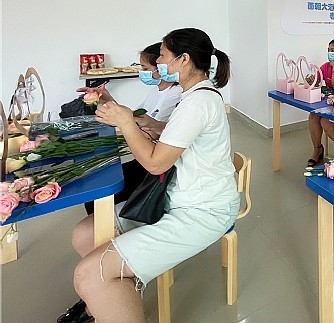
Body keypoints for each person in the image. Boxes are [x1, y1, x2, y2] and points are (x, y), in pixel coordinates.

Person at [62, 28, 238, 323]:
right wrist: (139, 121)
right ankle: (116, 296)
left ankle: (108, 292)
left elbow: (155, 164)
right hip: (177, 198)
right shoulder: (195, 95)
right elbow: (173, 132)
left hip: (204, 210)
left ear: (183, 59)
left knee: (89, 273)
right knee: (85, 234)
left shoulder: (198, 102)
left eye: (163, 55)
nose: (158, 62)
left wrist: (127, 124)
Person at [75, 42, 183, 215]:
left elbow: (149, 134)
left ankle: (107, 226)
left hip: (155, 165)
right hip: (143, 158)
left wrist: (122, 122)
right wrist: (108, 100)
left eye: (145, 68)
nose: (141, 72)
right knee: (94, 187)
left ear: (161, 68)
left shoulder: (176, 96)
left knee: (97, 195)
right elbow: (135, 119)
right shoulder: (158, 90)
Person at [307, 39, 334, 166]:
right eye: (328, 50)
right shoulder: (325, 66)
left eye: (333, 50)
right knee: (313, 115)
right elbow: (316, 82)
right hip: (330, 103)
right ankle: (317, 149)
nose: (329, 53)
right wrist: (312, 81)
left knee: (325, 121)